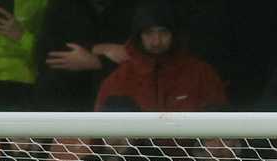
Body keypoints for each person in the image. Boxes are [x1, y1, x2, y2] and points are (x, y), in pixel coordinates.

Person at [93, 2, 226, 112]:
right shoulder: (118, 80)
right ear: (138, 36)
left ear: (174, 35)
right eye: (148, 33)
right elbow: (100, 134)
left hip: (189, 144)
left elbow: (221, 129)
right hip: (138, 145)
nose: (156, 41)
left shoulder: (201, 74)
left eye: (163, 32)